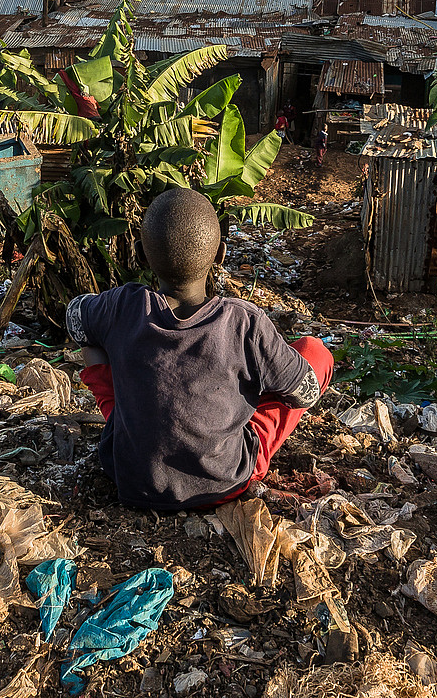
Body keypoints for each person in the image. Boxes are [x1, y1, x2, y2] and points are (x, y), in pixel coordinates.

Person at [69, 187, 333, 511]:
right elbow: (304, 395)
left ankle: (121, 418)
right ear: (220, 254)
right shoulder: (244, 322)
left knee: (98, 344)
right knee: (314, 351)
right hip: (225, 483)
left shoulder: (122, 305)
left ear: (139, 254)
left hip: (132, 476)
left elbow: (76, 320)